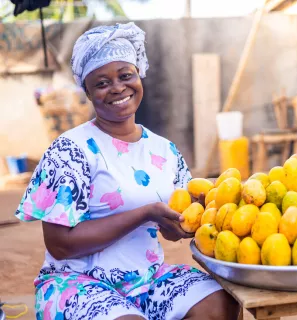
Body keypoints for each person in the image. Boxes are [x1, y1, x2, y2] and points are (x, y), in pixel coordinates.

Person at [15, 22, 239, 320]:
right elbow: (60, 244)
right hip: (78, 283)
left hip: (148, 280)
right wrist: (144, 213)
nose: (118, 88)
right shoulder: (69, 150)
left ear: (139, 75)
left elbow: (174, 229)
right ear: (88, 91)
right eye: (102, 83)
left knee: (220, 305)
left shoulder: (164, 151)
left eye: (125, 75)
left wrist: (182, 224)